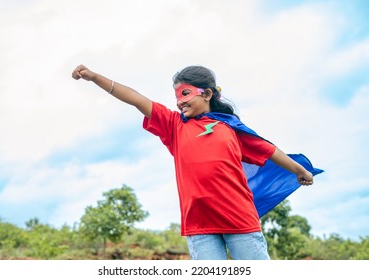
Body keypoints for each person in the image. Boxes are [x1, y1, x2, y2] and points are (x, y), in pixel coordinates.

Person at [72, 64, 320, 260]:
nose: (179, 101)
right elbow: (137, 99)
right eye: (177, 96)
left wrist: (300, 170)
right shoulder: (174, 126)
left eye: (186, 93)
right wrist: (95, 78)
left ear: (208, 94)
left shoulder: (230, 128)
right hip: (200, 226)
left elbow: (269, 150)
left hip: (240, 220)